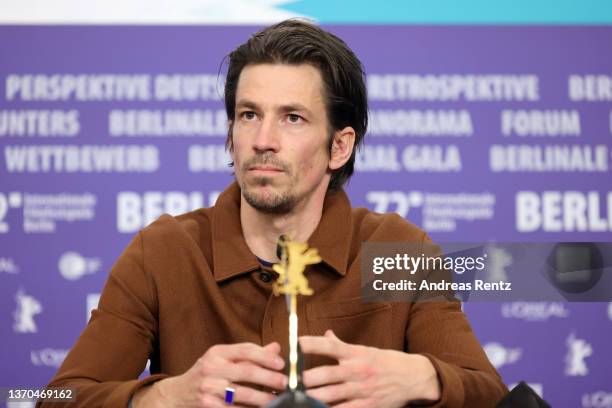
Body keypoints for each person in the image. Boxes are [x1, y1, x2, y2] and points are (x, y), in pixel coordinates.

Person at [40, 19, 507, 408]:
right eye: (248, 115)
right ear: (230, 134)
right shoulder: (162, 251)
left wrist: (422, 378)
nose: (263, 139)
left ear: (339, 146)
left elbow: (494, 395)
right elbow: (54, 399)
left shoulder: (400, 251)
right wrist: (165, 396)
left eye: (292, 118)